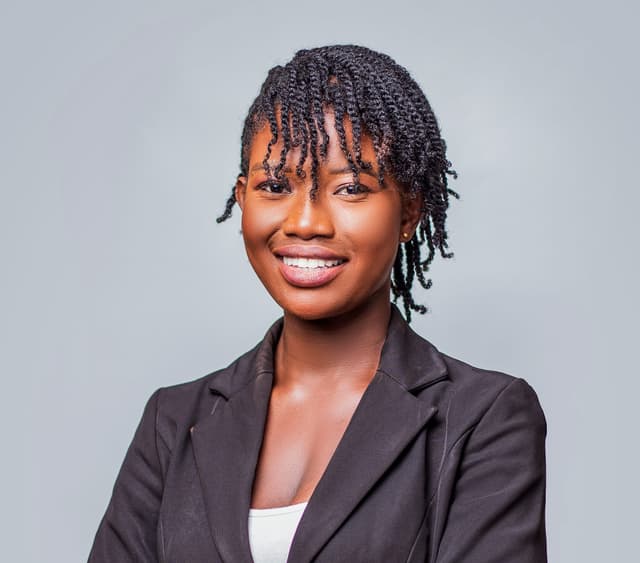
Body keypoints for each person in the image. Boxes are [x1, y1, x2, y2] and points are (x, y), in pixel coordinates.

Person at [89, 45, 547, 562]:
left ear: (408, 212)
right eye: (275, 185)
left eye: (350, 188)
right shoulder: (172, 422)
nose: (306, 223)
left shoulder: (484, 418)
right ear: (242, 199)